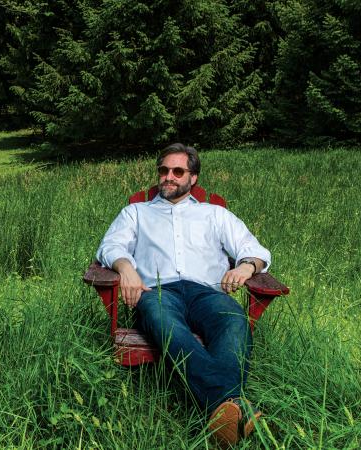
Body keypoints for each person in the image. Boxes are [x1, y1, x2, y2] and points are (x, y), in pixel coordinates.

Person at [95, 143, 270, 447]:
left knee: (233, 319)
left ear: (193, 178)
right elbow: (110, 248)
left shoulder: (215, 214)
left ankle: (223, 412)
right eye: (163, 170)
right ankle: (232, 408)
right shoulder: (136, 213)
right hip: (159, 293)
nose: (169, 177)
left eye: (178, 171)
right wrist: (125, 267)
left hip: (208, 294)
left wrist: (246, 267)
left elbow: (254, 250)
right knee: (164, 320)